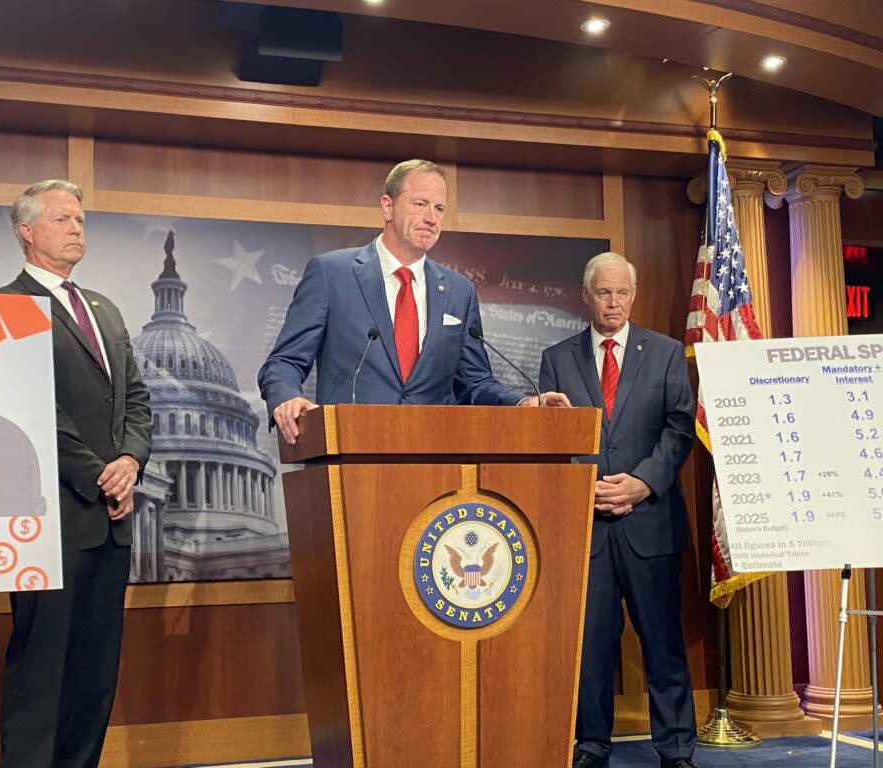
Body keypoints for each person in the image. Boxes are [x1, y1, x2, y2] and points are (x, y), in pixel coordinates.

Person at [0, 179, 152, 768]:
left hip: (111, 526)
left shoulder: (104, 310)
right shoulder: (7, 305)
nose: (76, 229)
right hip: (49, 523)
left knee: (94, 676)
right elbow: (28, 402)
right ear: (27, 232)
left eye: (81, 220)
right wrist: (99, 475)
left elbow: (136, 399)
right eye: (63, 220)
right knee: (42, 674)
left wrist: (131, 461)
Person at [258, 158, 568, 439]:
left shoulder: (459, 292)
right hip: (350, 455)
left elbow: (475, 383)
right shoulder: (332, 274)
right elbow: (284, 361)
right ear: (388, 207)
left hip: (433, 461)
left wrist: (525, 402)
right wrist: (286, 398)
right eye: (420, 204)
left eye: (439, 208)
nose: (432, 218)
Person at [538, 252, 697, 768]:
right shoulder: (557, 358)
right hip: (585, 527)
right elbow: (550, 443)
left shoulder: (668, 352)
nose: (614, 303)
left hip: (649, 525)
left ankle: (675, 749)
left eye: (622, 292)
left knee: (663, 645)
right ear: (586, 296)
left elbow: (679, 430)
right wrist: (587, 489)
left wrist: (642, 484)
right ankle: (591, 745)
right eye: (603, 293)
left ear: (635, 293)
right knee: (591, 648)